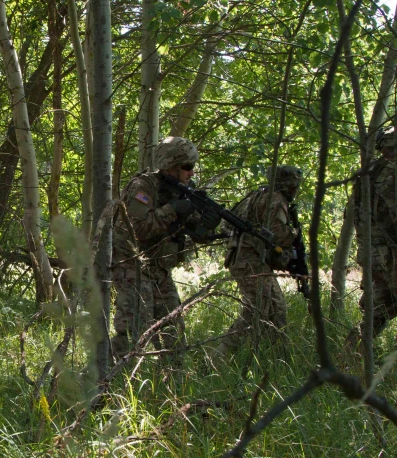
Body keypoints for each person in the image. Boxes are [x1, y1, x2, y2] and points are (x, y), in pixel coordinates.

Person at [111, 136, 219, 361]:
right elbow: (139, 229)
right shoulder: (143, 186)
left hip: (160, 268)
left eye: (193, 167)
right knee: (132, 330)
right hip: (132, 266)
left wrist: (207, 225)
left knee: (174, 331)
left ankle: (175, 385)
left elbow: (195, 233)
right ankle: (111, 383)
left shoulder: (185, 190)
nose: (191, 172)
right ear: (170, 166)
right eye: (187, 167)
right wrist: (174, 209)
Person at [216, 166, 303, 357]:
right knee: (255, 311)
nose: (295, 190)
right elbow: (279, 234)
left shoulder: (258, 194)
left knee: (277, 307)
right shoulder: (275, 199)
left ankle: (279, 359)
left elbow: (227, 225)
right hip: (250, 261)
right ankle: (217, 359)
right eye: (294, 186)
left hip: (248, 259)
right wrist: (295, 233)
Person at [345, 126, 397, 355]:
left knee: (377, 312)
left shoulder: (368, 173)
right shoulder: (390, 173)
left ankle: (348, 359)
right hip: (391, 255)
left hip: (372, 255)